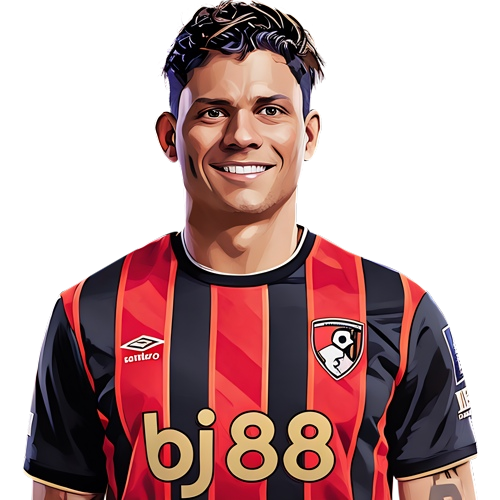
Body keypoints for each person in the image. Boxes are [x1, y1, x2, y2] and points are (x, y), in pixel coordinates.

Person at [22, 0, 479, 498]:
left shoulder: (400, 311)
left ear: (309, 136)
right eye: (213, 112)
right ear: (170, 137)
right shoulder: (90, 312)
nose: (242, 136)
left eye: (270, 110)